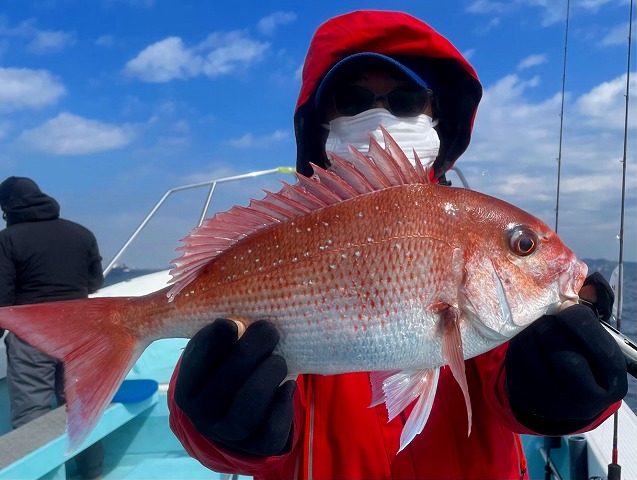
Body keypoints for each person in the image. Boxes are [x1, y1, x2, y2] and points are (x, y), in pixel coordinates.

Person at [167, 11, 628, 479]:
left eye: (406, 99)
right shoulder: (294, 230)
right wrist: (217, 427)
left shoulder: (464, 236)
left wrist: (559, 391)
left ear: (436, 115)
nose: (380, 116)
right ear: (320, 123)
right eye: (352, 99)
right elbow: (213, 411)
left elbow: (503, 383)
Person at [0, 177, 105, 480]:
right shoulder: (81, 233)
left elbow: (3, 298)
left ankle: (43, 475)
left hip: (33, 335)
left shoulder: (7, 239)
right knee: (80, 405)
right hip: (80, 331)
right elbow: (95, 283)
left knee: (32, 412)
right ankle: (92, 474)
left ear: (8, 207)